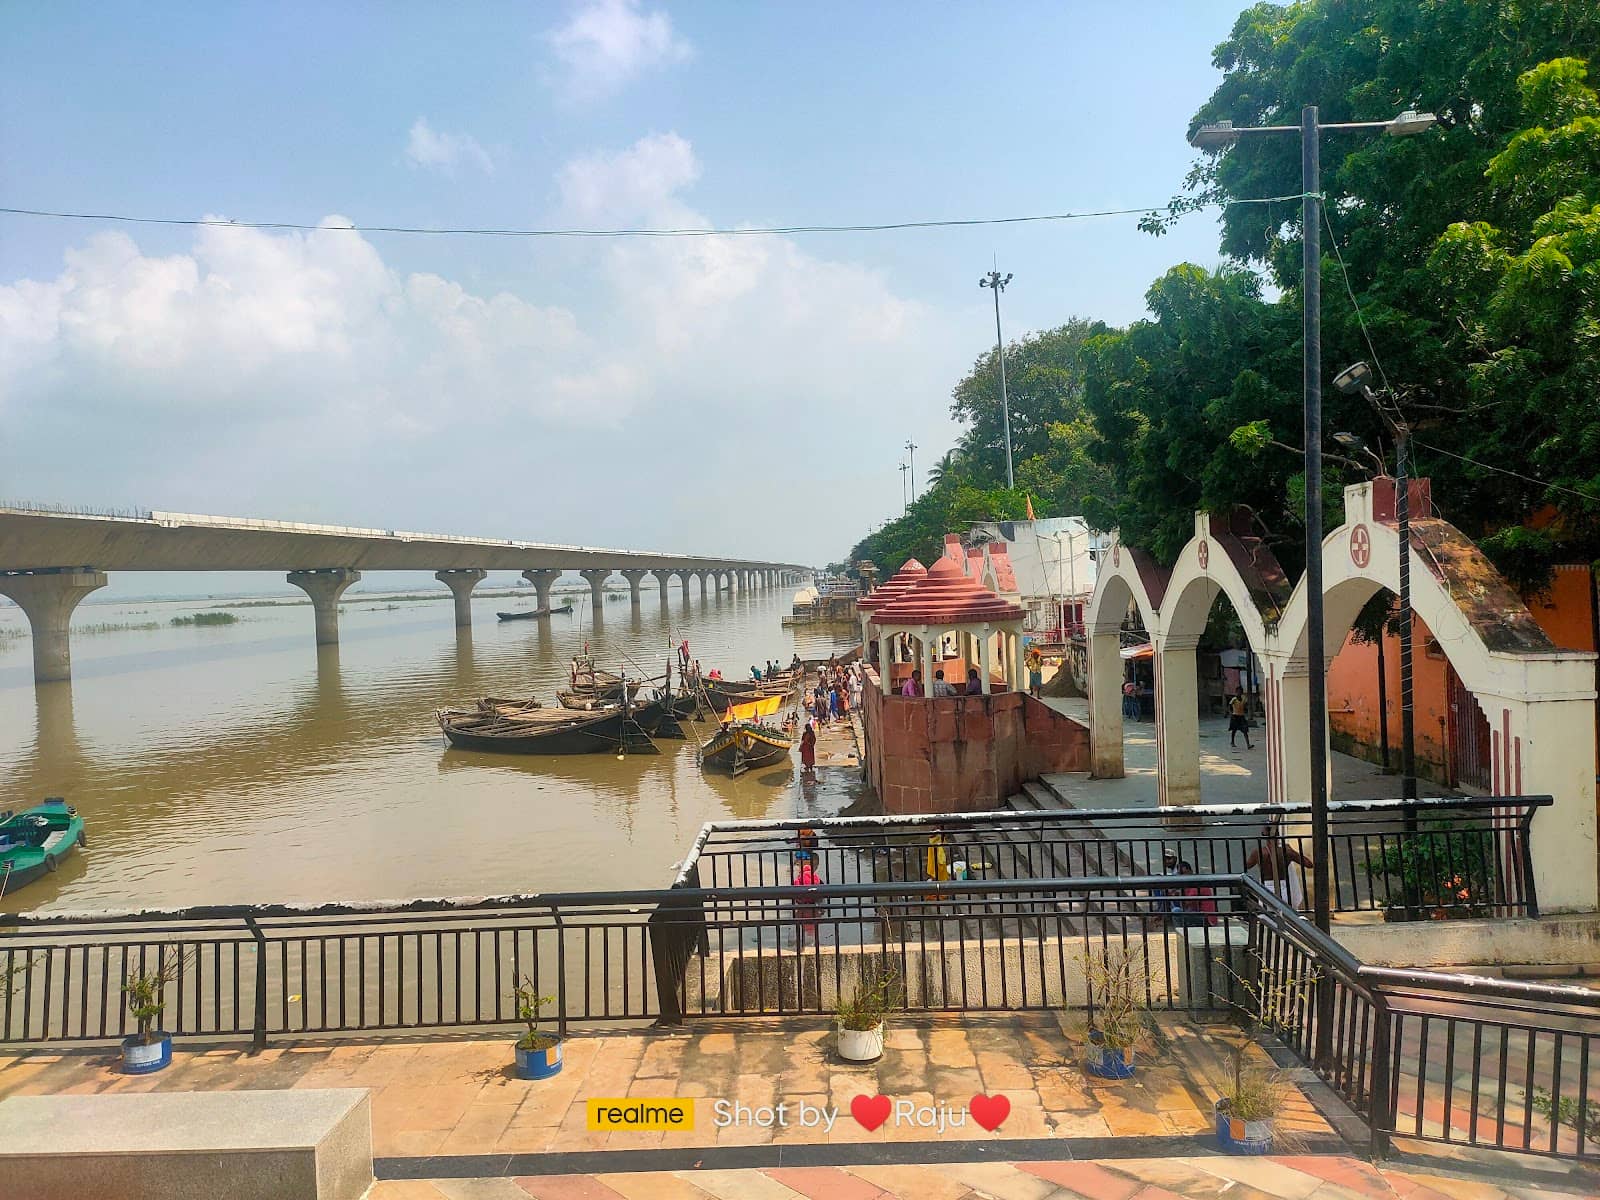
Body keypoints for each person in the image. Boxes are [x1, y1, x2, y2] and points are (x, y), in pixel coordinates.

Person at [1245, 817, 1314, 911]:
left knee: (1268, 917)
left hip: (1265, 889)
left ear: (1264, 835)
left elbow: (1247, 866)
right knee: (1284, 916)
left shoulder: (1258, 852)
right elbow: (1309, 864)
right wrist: (1292, 852)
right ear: (1278, 834)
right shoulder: (1286, 851)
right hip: (1284, 889)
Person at [791, 849, 822, 946]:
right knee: (811, 922)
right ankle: (811, 942)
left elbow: (795, 886)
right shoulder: (815, 876)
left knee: (803, 919)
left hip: (802, 904)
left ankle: (804, 941)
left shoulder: (800, 877)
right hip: (813, 904)